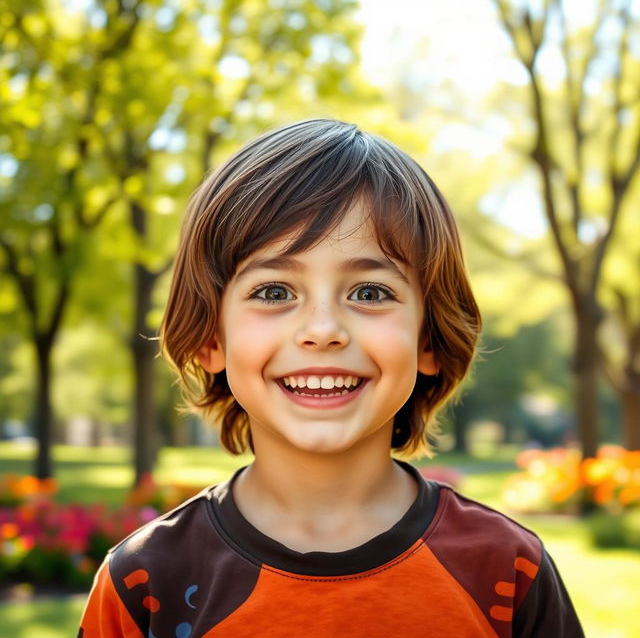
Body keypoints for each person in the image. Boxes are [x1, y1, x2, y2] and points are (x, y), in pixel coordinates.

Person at [78, 119, 584, 637]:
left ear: (427, 339)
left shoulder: (506, 572)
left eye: (369, 293)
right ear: (213, 339)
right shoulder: (146, 581)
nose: (322, 331)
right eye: (275, 292)